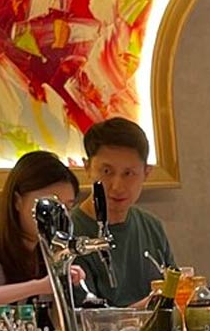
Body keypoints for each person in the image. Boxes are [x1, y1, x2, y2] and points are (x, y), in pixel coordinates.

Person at [0, 151, 87, 322]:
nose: (57, 217)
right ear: (17, 201)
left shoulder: (53, 249)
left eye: (66, 208)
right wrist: (38, 287)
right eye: (47, 206)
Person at [69, 117, 175, 307]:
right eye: (107, 171)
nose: (117, 186)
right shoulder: (69, 233)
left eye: (129, 174)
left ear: (146, 173)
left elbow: (174, 293)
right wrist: (150, 305)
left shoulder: (152, 226)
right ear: (87, 168)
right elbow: (86, 320)